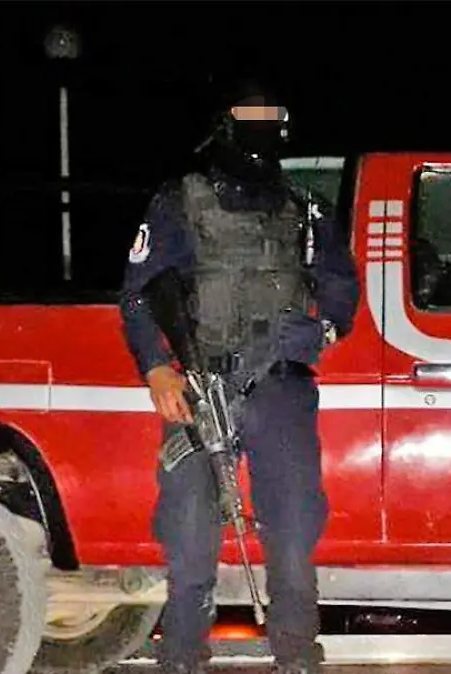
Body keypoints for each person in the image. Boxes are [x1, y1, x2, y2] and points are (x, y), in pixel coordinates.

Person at [118, 77, 359, 674]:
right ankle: (182, 656)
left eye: (270, 115)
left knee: (293, 533)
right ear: (224, 122)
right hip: (202, 388)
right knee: (190, 538)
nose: (260, 127)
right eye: (249, 114)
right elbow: (138, 294)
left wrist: (323, 331)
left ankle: (296, 653)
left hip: (280, 388)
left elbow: (340, 288)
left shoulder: (305, 208)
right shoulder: (181, 201)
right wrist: (157, 369)